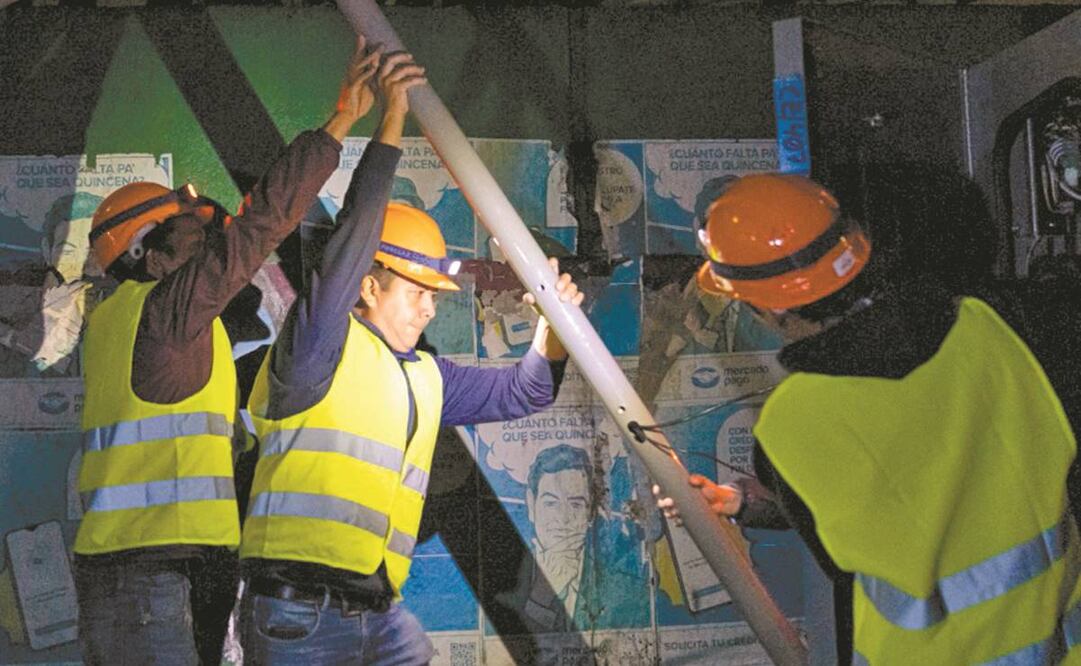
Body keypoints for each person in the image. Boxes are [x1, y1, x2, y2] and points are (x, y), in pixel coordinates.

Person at [236, 48, 584, 665]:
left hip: (378, 612)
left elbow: (526, 391)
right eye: (418, 292)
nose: (429, 309)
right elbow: (355, 236)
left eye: (434, 296)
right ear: (369, 287)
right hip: (298, 613)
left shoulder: (426, 377)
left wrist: (553, 325)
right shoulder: (321, 345)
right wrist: (391, 118)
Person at [657, 173, 1081, 664]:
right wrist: (740, 505)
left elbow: (850, 556)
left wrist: (753, 503)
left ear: (770, 307)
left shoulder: (791, 424)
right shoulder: (989, 325)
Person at [72, 38, 382, 666]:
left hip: (153, 573)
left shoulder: (123, 323)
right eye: (193, 234)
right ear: (149, 256)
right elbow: (258, 225)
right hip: (150, 580)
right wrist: (343, 119)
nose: (212, 241)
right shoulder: (165, 312)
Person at [505, 443, 648, 634]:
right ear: (531, 505)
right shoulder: (501, 585)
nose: (563, 519)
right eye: (550, 503)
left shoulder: (629, 592)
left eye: (575, 505)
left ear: (590, 513)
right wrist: (542, 595)